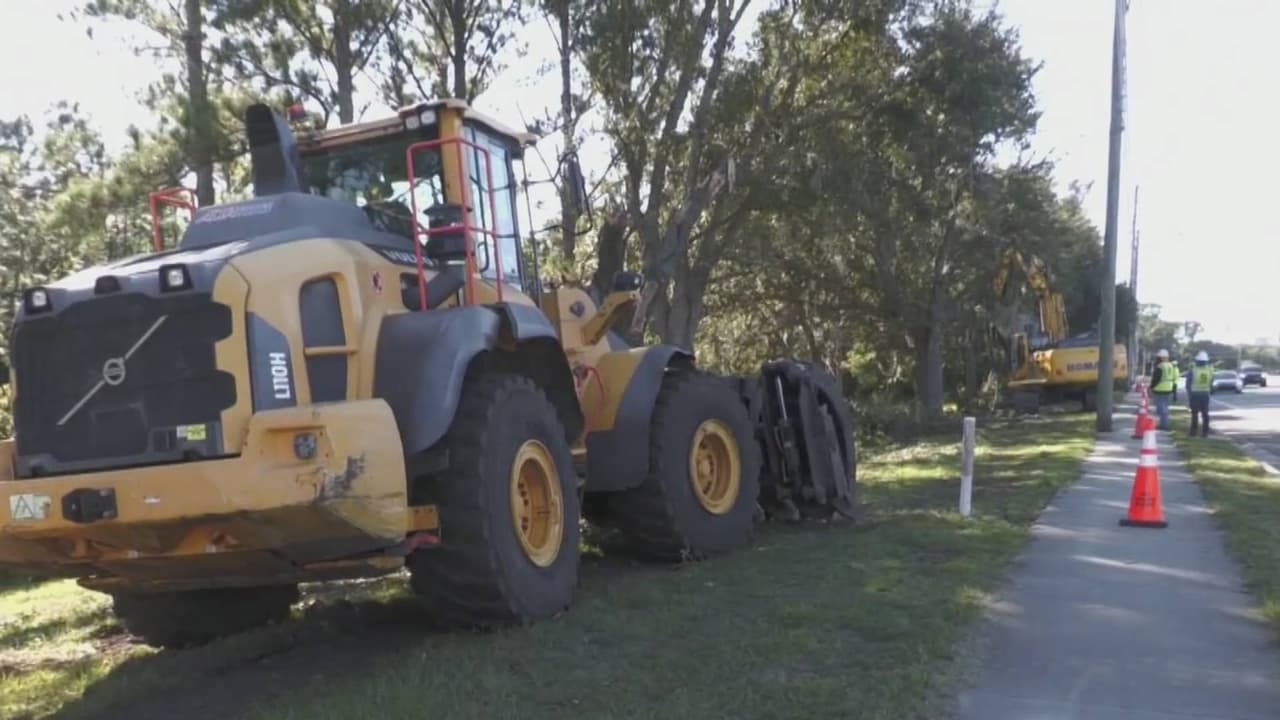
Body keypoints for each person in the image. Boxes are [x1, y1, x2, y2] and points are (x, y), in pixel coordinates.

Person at [1186, 350, 1213, 437]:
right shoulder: (1209, 370)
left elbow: (1188, 384)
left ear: (1197, 361)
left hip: (1195, 394)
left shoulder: (1193, 370)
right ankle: (1205, 432)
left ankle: (1193, 432)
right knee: (1205, 414)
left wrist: (1189, 394)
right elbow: (1211, 382)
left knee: (1195, 414)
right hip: (1205, 394)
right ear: (1206, 361)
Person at [1150, 349, 1177, 430]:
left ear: (1161, 358)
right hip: (1169, 388)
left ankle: (1164, 425)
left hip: (1159, 389)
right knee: (1165, 408)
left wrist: (1151, 387)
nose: (1157, 359)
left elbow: (1156, 379)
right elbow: (1174, 378)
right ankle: (1164, 424)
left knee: (1161, 409)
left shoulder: (1160, 366)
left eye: (1158, 358)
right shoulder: (1171, 365)